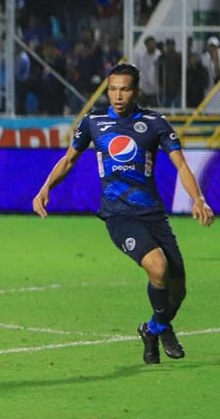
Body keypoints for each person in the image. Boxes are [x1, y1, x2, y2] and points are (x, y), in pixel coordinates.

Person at [32, 63, 214, 365]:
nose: (117, 95)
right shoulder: (94, 121)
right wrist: (45, 188)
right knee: (158, 269)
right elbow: (69, 160)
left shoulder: (155, 123)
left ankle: (153, 328)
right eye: (112, 89)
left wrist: (199, 199)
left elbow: (181, 165)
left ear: (136, 91)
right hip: (119, 216)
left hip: (153, 215)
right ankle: (162, 327)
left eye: (124, 89)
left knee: (178, 290)